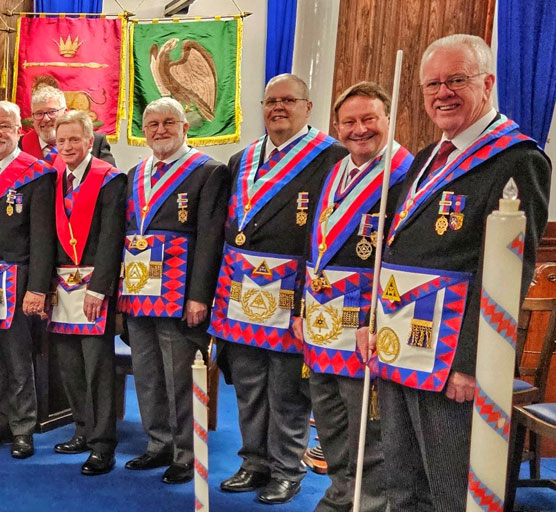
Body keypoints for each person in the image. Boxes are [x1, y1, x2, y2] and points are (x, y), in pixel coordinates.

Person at [365, 34, 549, 512]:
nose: (442, 93)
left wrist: (472, 360)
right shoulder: (426, 158)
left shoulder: (517, 160)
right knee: (402, 481)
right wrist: (375, 322)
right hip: (400, 342)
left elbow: (510, 270)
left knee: (452, 487)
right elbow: (397, 251)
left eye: (456, 80)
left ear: (487, 84)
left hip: (453, 359)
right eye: (432, 84)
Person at [208, 74, 348, 505]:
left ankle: (288, 469)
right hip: (242, 289)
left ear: (308, 107)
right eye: (270, 101)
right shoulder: (242, 160)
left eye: (288, 100)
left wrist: (312, 298)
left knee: (287, 389)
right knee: (249, 383)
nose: (278, 108)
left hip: (294, 291)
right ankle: (254, 462)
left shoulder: (332, 158)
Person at [289, 81, 409, 512]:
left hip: (365, 321)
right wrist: (301, 306)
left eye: (368, 119)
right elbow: (313, 244)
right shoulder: (335, 170)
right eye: (349, 121)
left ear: (388, 120)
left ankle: (371, 502)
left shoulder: (405, 174)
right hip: (320, 317)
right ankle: (342, 493)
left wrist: (380, 318)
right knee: (331, 419)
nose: (358, 130)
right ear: (336, 126)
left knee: (367, 427)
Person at [119, 97, 230, 485]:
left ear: (186, 128)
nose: (160, 130)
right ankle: (158, 443)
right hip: (138, 292)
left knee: (180, 376)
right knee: (147, 374)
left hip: (181, 297)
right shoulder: (135, 173)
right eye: (152, 124)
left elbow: (210, 238)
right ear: (144, 132)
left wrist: (200, 296)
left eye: (169, 123)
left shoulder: (208, 172)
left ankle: (186, 451)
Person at [0, 101, 55, 460]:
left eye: (5, 126)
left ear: (20, 131)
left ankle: (22, 429)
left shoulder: (37, 172)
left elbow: (43, 238)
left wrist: (37, 288)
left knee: (18, 358)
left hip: (17, 281)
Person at [46, 110, 127, 476]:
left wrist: (100, 289)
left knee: (97, 369)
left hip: (94, 288)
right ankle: (82, 429)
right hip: (63, 288)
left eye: (74, 140)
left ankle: (103, 444)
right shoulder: (54, 179)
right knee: (70, 367)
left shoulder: (108, 180)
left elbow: (112, 240)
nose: (67, 147)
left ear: (90, 140)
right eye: (61, 141)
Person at [21, 85, 114, 168]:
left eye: (52, 112)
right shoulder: (20, 146)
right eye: (39, 113)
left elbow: (110, 181)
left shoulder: (93, 141)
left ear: (65, 112)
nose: (45, 119)